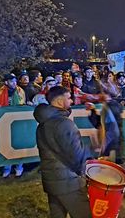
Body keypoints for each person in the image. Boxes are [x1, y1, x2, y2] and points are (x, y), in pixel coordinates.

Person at [34, 86, 91, 218]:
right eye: (69, 98)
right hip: (68, 182)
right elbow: (77, 157)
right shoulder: (65, 124)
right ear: (60, 101)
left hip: (52, 180)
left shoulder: (42, 123)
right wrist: (93, 151)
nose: (72, 101)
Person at [0, 73, 26, 177]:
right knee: (6, 146)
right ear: (6, 82)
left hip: (18, 123)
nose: (14, 83)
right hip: (5, 124)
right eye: (12, 81)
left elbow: (25, 103)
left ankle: (19, 168)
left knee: (19, 145)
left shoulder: (21, 91)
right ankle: (7, 169)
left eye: (15, 81)